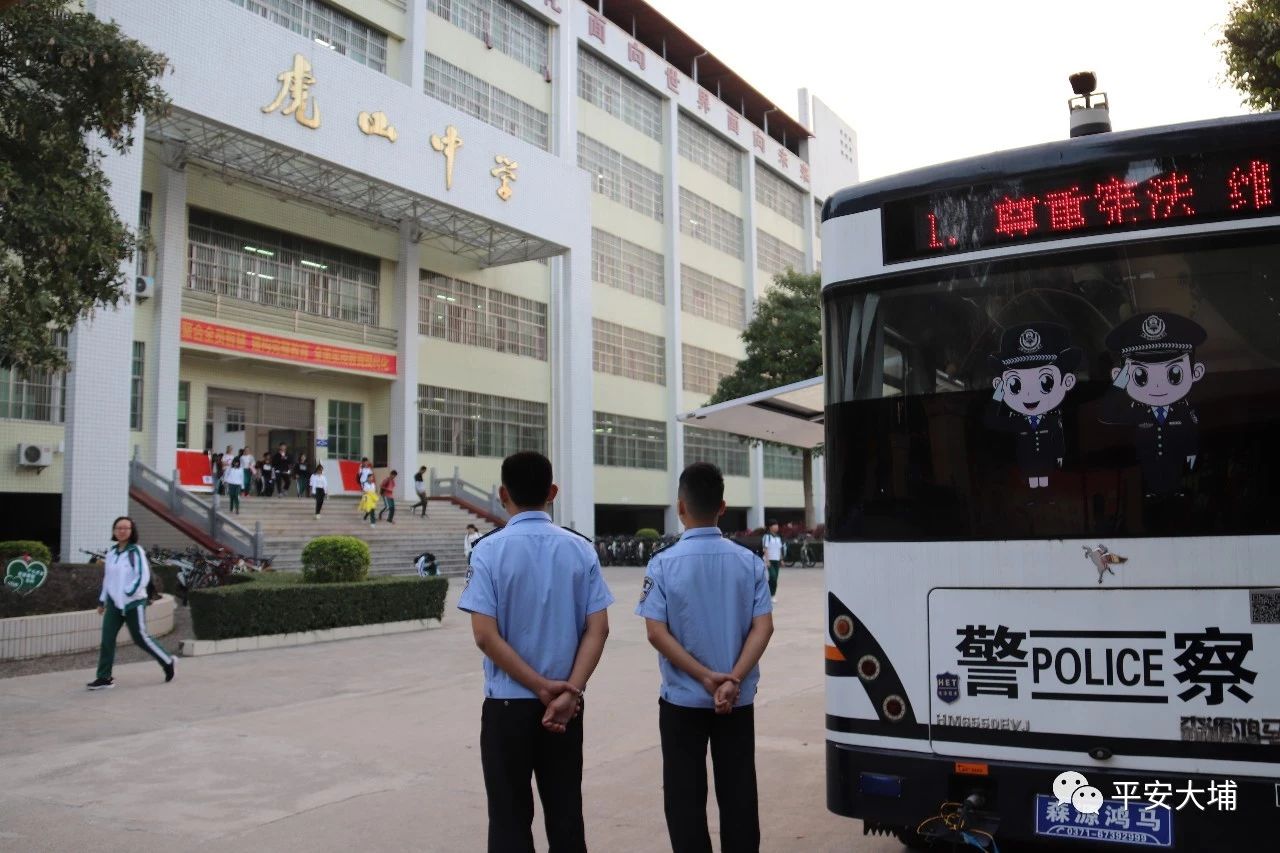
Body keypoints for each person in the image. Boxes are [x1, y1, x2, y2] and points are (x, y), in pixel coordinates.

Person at [457, 451, 613, 853]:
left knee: (509, 820)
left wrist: (539, 686)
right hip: (565, 708)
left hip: (508, 706)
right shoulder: (580, 550)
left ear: (502, 494)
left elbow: (485, 637)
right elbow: (599, 629)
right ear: (553, 492)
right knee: (565, 816)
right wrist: (567, 691)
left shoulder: (488, 551)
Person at [635, 462, 773, 853]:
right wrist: (732, 679)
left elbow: (655, 632)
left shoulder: (663, 563)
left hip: (682, 702)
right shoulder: (748, 561)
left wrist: (706, 678)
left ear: (681, 507)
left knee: (684, 800)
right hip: (737, 700)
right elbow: (763, 628)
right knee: (739, 795)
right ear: (723, 507)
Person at [86, 516, 176, 690]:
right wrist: (102, 600)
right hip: (113, 603)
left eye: (126, 528)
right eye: (118, 528)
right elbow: (108, 579)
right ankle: (104, 677)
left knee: (140, 638)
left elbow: (143, 576)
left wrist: (129, 592)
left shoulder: (136, 551)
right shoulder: (111, 553)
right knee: (107, 639)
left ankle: (167, 661)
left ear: (132, 531)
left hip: (133, 602)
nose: (122, 531)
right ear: (113, 531)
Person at [761, 519, 784, 602]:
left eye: (777, 525)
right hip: (769, 560)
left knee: (775, 578)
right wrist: (767, 560)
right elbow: (765, 549)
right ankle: (768, 594)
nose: (776, 527)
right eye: (774, 525)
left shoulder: (778, 537)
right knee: (772, 577)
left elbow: (779, 549)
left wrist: (781, 559)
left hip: (776, 560)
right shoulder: (767, 537)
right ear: (770, 527)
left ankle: (772, 595)